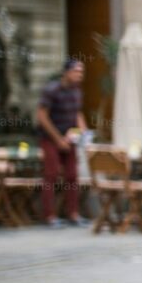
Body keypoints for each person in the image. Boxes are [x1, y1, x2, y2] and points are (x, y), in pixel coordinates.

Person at [36, 59, 89, 228]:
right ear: (66, 72)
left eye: (81, 72)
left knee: (72, 176)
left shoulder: (77, 92)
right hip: (51, 138)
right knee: (50, 175)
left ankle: (73, 214)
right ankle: (49, 216)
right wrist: (58, 139)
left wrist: (82, 131)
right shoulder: (52, 90)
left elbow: (77, 114)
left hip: (70, 139)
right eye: (76, 71)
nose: (79, 75)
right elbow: (41, 116)